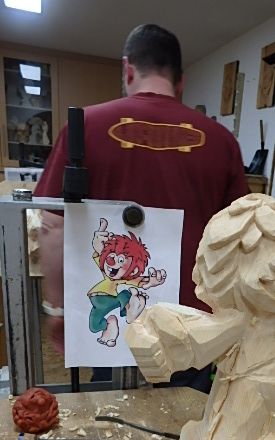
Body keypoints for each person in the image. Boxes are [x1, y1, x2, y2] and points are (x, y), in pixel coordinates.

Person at [35, 23, 249, 391]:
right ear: (180, 81)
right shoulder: (222, 141)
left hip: (114, 322)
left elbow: (52, 227)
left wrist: (57, 308)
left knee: (115, 418)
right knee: (185, 420)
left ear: (128, 69)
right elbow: (242, 240)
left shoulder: (84, 127)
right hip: (191, 331)